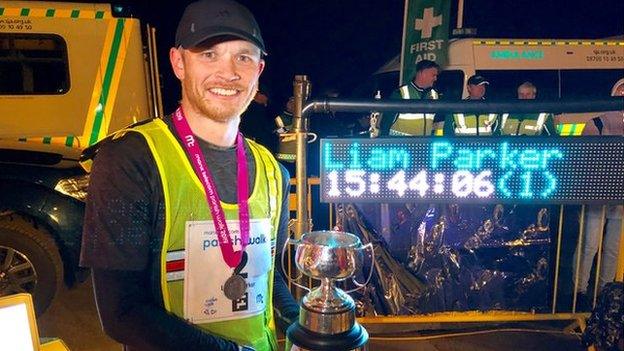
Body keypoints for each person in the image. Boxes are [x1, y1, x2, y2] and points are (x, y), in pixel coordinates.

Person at [80, 1, 299, 350]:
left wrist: (307, 324)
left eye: (243, 57)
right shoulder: (130, 160)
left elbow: (269, 282)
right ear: (178, 63)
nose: (228, 73)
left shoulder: (274, 171)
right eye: (209, 54)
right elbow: (121, 312)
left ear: (258, 70)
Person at [572, 78, 624, 308]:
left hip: (620, 199)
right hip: (597, 193)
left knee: (612, 247)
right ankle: (579, 290)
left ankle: (606, 291)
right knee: (589, 244)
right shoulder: (596, 124)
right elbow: (584, 159)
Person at [382, 59, 440, 136]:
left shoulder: (434, 94)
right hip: (400, 146)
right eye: (433, 75)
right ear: (422, 73)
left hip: (423, 145)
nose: (435, 79)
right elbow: (386, 122)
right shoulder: (400, 93)